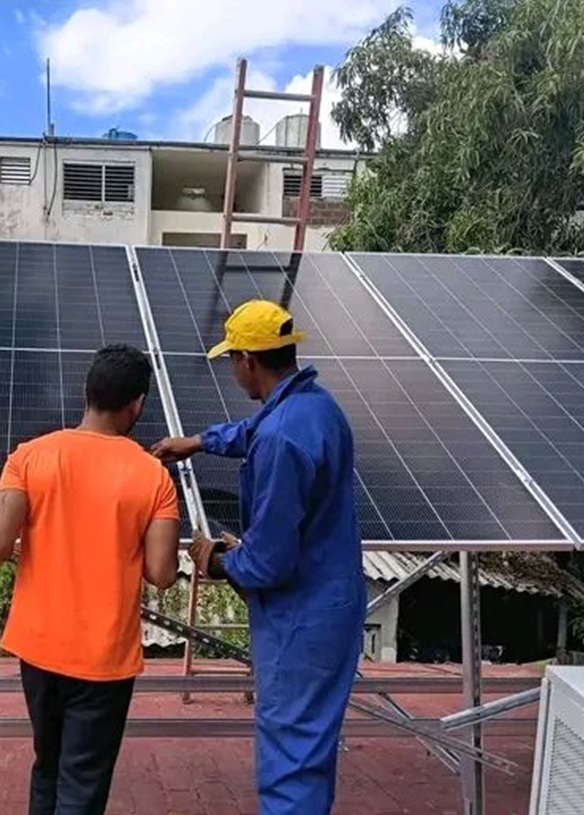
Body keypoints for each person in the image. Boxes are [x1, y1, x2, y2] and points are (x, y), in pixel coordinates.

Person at [151, 299, 366, 815]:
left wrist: (215, 558)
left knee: (291, 750)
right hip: (333, 601)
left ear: (248, 359)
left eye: (232, 359)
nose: (232, 370)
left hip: (301, 618)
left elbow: (267, 564)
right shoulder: (316, 406)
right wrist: (201, 442)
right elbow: (256, 431)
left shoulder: (281, 441)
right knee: (312, 744)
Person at [0, 343, 180, 815]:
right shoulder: (154, 477)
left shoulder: (30, 456)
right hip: (104, 657)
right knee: (83, 779)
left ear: (86, 391)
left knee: (48, 763)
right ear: (137, 403)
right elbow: (162, 574)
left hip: (39, 648)